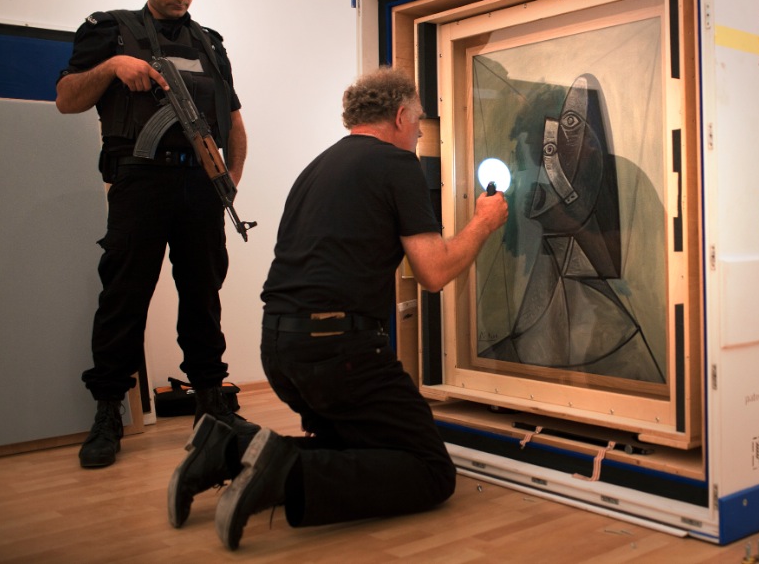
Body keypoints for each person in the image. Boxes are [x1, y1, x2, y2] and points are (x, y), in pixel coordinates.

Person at [166, 66, 508, 550]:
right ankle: (283, 474)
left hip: (280, 350)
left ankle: (227, 449)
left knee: (356, 446)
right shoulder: (397, 164)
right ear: (400, 115)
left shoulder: (318, 166)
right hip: (337, 353)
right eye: (417, 123)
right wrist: (484, 223)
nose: (418, 135)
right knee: (431, 470)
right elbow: (433, 272)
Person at [56, 0, 256, 469]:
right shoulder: (109, 30)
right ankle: (108, 412)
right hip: (140, 183)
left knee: (203, 297)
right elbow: (66, 99)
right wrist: (112, 67)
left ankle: (211, 405)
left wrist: (229, 180)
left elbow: (234, 121)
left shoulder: (210, 43)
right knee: (124, 298)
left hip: (200, 187)